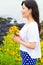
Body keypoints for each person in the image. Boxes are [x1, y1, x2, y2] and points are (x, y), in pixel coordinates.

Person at [12, 0, 41, 65]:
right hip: (26, 56)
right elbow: (27, 39)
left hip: (29, 57)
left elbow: (32, 45)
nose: (21, 11)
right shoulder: (28, 24)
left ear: (30, 10)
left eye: (23, 8)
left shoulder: (32, 25)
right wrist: (19, 35)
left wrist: (19, 40)